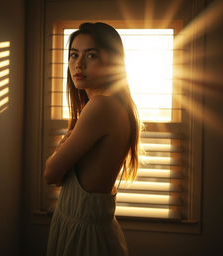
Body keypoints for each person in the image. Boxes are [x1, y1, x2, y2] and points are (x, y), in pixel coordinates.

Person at [44, 22, 140, 256]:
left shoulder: (101, 106)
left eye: (92, 55)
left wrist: (62, 147)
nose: (79, 64)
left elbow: (50, 174)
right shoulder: (111, 105)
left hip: (83, 236)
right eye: (74, 55)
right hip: (88, 229)